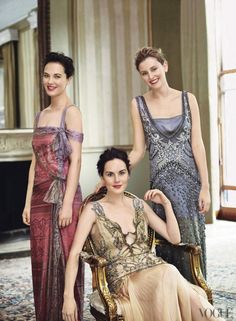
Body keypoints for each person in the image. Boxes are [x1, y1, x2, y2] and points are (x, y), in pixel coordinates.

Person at [62, 148, 224, 321]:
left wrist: (166, 204)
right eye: (110, 174)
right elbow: (74, 253)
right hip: (125, 281)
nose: (117, 179)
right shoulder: (92, 210)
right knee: (171, 274)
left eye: (122, 173)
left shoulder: (138, 204)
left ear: (128, 174)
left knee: (193, 298)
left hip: (157, 272)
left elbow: (174, 238)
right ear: (102, 177)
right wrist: (68, 297)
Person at [128, 46, 211, 282]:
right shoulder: (138, 104)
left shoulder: (188, 99)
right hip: (161, 190)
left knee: (192, 247)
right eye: (144, 73)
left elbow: (198, 145)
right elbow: (138, 150)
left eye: (154, 68)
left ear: (165, 66)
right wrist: (111, 173)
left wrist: (205, 186)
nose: (151, 75)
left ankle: (197, 302)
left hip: (189, 188)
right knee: (168, 248)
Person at [22, 52, 84, 321]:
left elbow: (77, 158)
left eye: (57, 76)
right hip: (39, 200)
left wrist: (69, 202)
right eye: (47, 75)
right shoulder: (40, 115)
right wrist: (26, 202)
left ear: (68, 79)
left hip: (63, 197)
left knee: (64, 263)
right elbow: (34, 163)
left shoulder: (72, 113)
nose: (51, 81)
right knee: (40, 265)